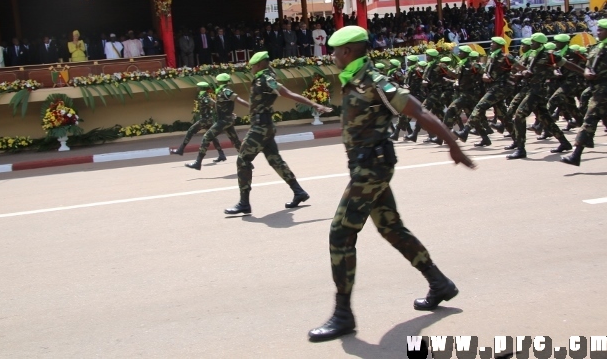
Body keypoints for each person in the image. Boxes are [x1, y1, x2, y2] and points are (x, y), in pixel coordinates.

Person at [307, 26, 475, 342]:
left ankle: (343, 314)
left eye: (334, 51)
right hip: (367, 167)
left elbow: (417, 109)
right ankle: (439, 283)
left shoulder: (374, 81)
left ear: (347, 52)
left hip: (372, 169)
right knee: (391, 228)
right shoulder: (355, 79)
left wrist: (452, 143)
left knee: (340, 233)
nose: (332, 56)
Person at [224, 51, 332, 215]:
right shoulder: (264, 77)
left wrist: (314, 104)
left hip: (260, 127)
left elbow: (288, 93)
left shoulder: (266, 79)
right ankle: (299, 192)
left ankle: (244, 203)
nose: (251, 68)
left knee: (243, 160)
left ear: (259, 64)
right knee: (276, 160)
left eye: (253, 65)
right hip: (264, 125)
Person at [506, 32, 582, 159]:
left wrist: (582, 71)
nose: (531, 44)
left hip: (538, 90)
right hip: (529, 88)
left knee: (519, 115)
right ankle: (564, 143)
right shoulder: (531, 54)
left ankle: (520, 148)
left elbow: (566, 63)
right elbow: (523, 68)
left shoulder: (549, 55)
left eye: (533, 42)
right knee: (545, 117)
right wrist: (522, 72)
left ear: (540, 43)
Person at [561, 18, 607, 165]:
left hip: (604, 89)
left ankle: (576, 154)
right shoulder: (596, 47)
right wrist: (587, 72)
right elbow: (588, 64)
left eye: (601, 30)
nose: (598, 32)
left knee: (590, 118)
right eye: (598, 29)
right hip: (595, 87)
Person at [185, 74, 248, 170]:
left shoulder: (226, 91)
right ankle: (247, 162)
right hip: (226, 120)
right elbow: (220, 106)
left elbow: (238, 99)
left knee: (206, 137)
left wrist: (252, 107)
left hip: (223, 121)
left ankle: (198, 163)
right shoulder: (221, 91)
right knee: (235, 142)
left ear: (219, 81)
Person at [170, 82, 224, 157]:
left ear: (201, 88)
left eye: (198, 87)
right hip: (208, 120)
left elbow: (215, 104)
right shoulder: (203, 96)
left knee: (190, 131)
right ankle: (221, 154)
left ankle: (181, 149)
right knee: (213, 137)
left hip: (205, 120)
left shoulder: (205, 97)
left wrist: (223, 112)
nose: (197, 88)